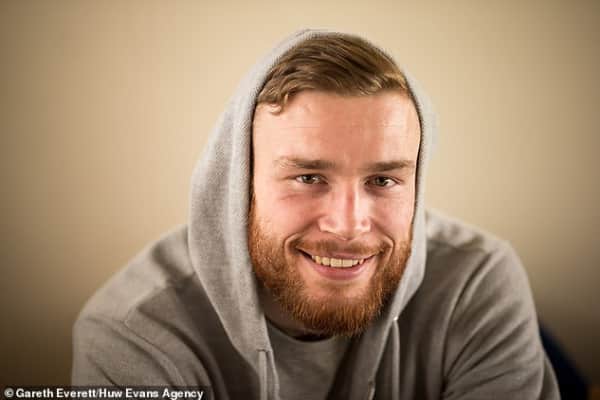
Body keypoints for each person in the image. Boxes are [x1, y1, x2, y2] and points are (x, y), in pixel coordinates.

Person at [72, 29, 560, 399]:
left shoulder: (475, 281)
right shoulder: (136, 334)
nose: (348, 225)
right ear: (240, 184)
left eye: (383, 180)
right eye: (308, 177)